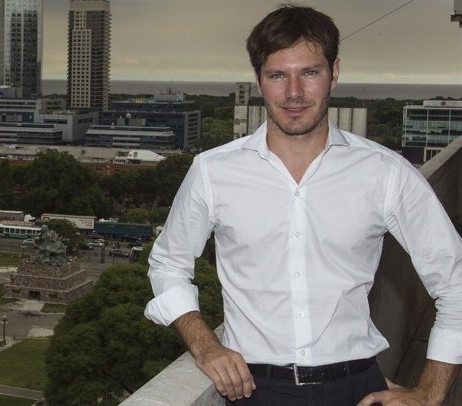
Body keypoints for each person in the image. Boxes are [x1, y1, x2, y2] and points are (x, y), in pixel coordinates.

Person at [144, 4, 462, 405]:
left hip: (358, 389)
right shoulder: (213, 171)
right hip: (253, 391)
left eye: (309, 72)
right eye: (278, 75)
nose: (293, 93)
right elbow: (168, 264)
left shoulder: (385, 172)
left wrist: (429, 393)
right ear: (258, 80)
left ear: (334, 73)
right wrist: (204, 344)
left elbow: (456, 281)